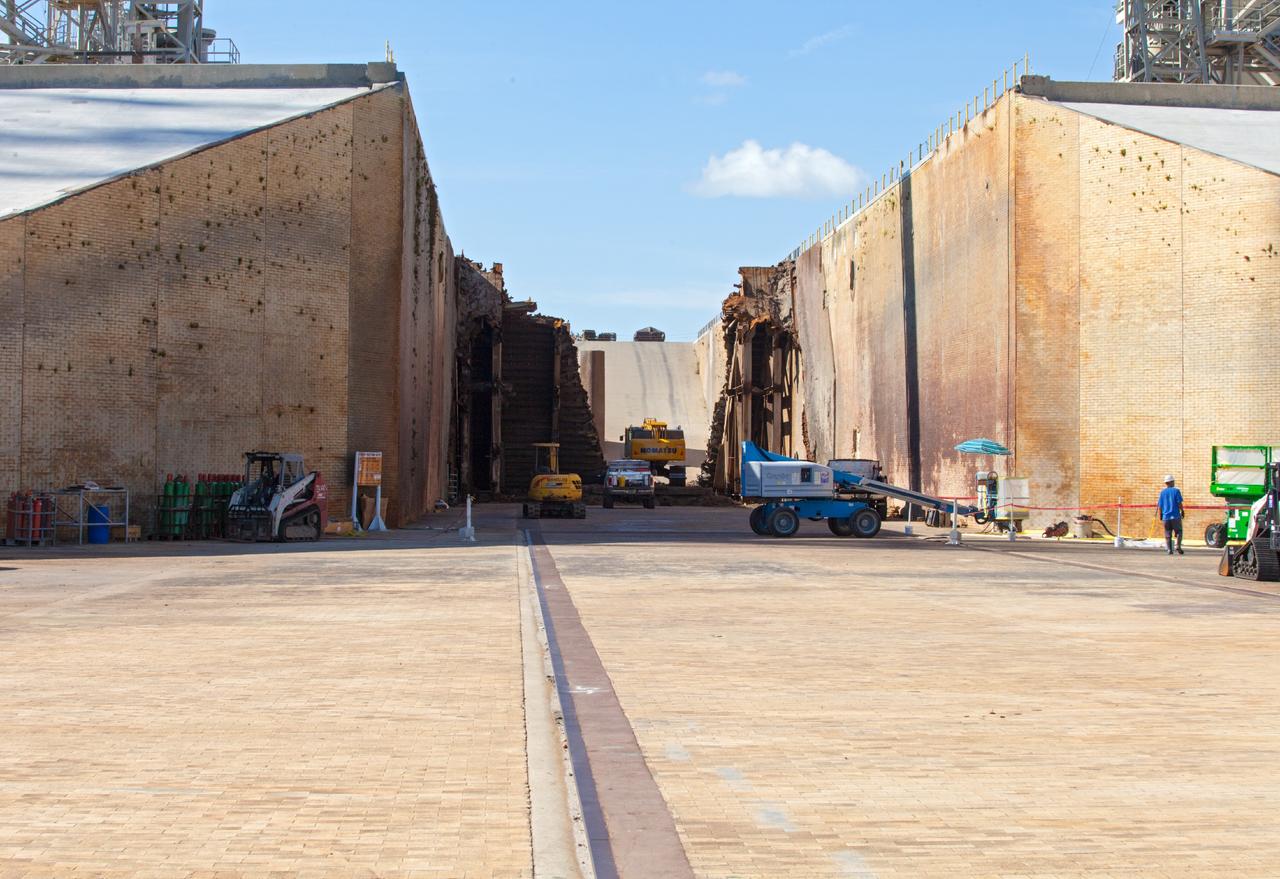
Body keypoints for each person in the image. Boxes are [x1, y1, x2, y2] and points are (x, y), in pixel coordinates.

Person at [1158, 474, 1184, 555]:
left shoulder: (1162, 493)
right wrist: (1182, 510)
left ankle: (1169, 549)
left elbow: (1160, 506)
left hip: (1166, 517)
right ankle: (1178, 546)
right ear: (1171, 482)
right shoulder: (1176, 491)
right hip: (1175, 516)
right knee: (1179, 531)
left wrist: (1161, 515)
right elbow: (1179, 502)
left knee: (1167, 533)